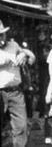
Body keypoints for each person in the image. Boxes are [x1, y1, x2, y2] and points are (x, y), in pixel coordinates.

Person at [0, 19, 35, 147]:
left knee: (21, 126)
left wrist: (24, 54)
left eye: (2, 34)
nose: (1, 39)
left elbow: (32, 58)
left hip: (15, 91)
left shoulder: (13, 46)